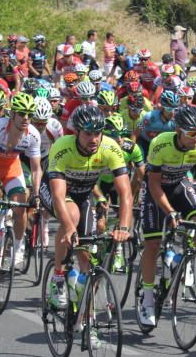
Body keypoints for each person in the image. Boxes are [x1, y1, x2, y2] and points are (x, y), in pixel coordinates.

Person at [40, 106, 133, 310]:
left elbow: (125, 193)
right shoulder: (63, 147)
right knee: (71, 217)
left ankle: (84, 321)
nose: (94, 139)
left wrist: (124, 228)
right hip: (56, 190)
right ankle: (57, 278)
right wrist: (68, 227)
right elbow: (57, 195)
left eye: (98, 133)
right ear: (76, 132)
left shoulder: (110, 148)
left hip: (84, 194)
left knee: (87, 259)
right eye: (88, 134)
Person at [137, 106, 196, 327]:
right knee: (153, 243)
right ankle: (146, 300)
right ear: (179, 130)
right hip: (156, 190)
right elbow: (154, 185)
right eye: (192, 133)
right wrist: (170, 211)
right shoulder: (160, 143)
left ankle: (184, 259)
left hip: (179, 184)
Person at [0, 93, 43, 277]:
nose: (26, 119)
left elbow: (36, 169)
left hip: (11, 169)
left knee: (21, 207)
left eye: (29, 114)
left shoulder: (33, 135)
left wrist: (37, 195)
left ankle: (19, 248)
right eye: (22, 114)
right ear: (12, 114)